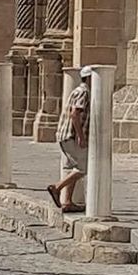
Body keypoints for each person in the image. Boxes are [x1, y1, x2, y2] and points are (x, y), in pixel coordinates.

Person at [53, 70, 91, 213]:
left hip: (65, 134)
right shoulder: (83, 92)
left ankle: (68, 202)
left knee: (73, 168)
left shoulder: (77, 90)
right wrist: (81, 136)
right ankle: (57, 187)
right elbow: (75, 114)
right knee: (83, 168)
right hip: (71, 135)